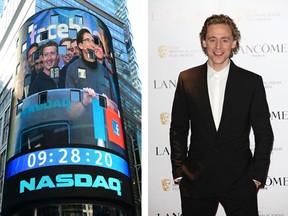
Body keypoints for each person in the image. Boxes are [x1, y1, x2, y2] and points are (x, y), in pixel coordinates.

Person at [169, 14, 274, 216]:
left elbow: (264, 134)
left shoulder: (251, 82)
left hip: (240, 181)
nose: (218, 46)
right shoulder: (186, 79)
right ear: (203, 42)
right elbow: (178, 128)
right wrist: (179, 172)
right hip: (196, 180)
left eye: (225, 39)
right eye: (212, 39)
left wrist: (257, 177)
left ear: (234, 43)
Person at [65, 28, 117, 103]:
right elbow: (72, 103)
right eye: (87, 40)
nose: (92, 44)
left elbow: (114, 103)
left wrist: (109, 103)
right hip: (84, 114)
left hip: (103, 114)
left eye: (93, 41)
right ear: (80, 45)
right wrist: (84, 101)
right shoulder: (72, 69)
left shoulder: (104, 71)